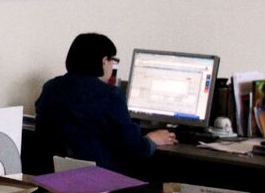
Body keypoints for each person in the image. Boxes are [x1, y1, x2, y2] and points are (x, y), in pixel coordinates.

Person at [33, 33, 176, 174]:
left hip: (53, 180)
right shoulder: (110, 95)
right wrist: (152, 140)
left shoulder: (51, 87)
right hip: (99, 182)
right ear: (104, 61)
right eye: (113, 60)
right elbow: (136, 148)